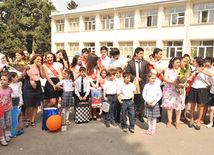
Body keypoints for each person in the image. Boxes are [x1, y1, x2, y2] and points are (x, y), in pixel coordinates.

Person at [187, 57, 213, 130]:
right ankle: (192, 119)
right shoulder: (192, 69)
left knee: (200, 106)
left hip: (202, 89)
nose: (193, 62)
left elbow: (211, 74)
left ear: (198, 62)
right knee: (192, 105)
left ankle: (199, 120)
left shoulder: (204, 68)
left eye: (194, 61)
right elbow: (190, 78)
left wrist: (202, 71)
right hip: (193, 88)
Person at [161, 57, 186, 129]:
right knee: (169, 107)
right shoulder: (168, 70)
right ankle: (170, 120)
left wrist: (183, 84)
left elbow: (186, 79)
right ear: (172, 63)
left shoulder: (182, 70)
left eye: (179, 62)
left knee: (178, 107)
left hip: (179, 91)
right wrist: (173, 83)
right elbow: (165, 78)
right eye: (177, 62)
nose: (178, 64)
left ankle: (177, 121)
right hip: (169, 90)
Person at [125, 47, 149, 123]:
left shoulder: (145, 62)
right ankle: (133, 114)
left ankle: (141, 115)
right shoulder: (130, 63)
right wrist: (134, 78)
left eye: (142, 53)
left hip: (142, 83)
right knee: (134, 99)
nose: (142, 55)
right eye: (140, 53)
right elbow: (128, 73)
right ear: (136, 53)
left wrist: (142, 79)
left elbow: (147, 73)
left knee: (142, 99)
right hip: (133, 83)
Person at [22, 54, 45, 128]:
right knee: (28, 104)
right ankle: (28, 119)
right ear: (34, 59)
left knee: (35, 104)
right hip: (28, 86)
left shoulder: (41, 67)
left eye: (40, 60)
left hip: (37, 86)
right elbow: (23, 76)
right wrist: (25, 69)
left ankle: (33, 120)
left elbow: (43, 76)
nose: (39, 61)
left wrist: (40, 67)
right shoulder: (29, 66)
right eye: (37, 59)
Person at [148, 48, 165, 122]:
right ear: (155, 54)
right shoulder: (149, 63)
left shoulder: (162, 63)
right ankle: (150, 115)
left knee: (158, 101)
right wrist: (151, 63)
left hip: (159, 84)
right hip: (151, 85)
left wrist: (153, 64)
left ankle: (158, 116)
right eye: (160, 54)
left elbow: (159, 71)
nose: (161, 55)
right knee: (151, 100)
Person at [86, 53, 100, 120]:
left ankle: (94, 113)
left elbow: (98, 74)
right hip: (89, 83)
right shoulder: (86, 65)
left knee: (96, 99)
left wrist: (97, 83)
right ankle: (90, 113)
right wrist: (91, 83)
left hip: (96, 83)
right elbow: (86, 75)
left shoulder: (97, 65)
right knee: (90, 99)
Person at [0, 71, 13, 146]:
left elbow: (10, 97)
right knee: (1, 124)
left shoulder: (9, 89)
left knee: (8, 122)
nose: (2, 81)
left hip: (8, 109)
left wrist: (11, 104)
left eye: (4, 80)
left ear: (9, 82)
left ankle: (7, 134)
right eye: (1, 79)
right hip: (0, 111)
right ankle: (2, 138)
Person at [200, 57, 213, 124]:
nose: (207, 67)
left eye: (208, 66)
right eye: (206, 65)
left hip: (207, 89)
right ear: (203, 64)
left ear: (211, 65)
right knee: (200, 104)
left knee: (205, 105)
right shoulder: (201, 70)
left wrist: (208, 84)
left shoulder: (211, 72)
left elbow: (211, 83)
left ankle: (203, 118)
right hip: (200, 88)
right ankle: (200, 117)